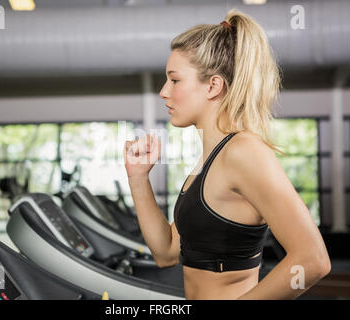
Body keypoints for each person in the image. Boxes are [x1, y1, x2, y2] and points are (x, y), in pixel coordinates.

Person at [123, 9, 330, 300]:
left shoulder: (244, 152)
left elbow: (313, 260)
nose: (163, 92)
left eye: (174, 80)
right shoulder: (210, 159)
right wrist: (138, 179)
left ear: (213, 86)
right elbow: (166, 253)